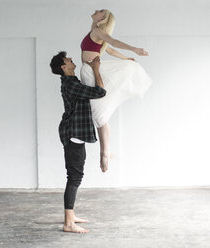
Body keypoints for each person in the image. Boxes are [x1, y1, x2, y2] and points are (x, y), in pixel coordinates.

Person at [80, 9, 153, 173]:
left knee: (99, 113)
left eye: (100, 12)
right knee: (98, 113)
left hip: (92, 71)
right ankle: (105, 152)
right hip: (88, 70)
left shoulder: (99, 31)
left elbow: (114, 43)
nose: (96, 11)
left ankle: (105, 153)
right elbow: (109, 50)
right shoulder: (94, 30)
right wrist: (125, 58)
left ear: (103, 19)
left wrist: (134, 50)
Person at [50, 51, 106, 233]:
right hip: (73, 133)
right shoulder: (70, 84)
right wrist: (96, 70)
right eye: (69, 60)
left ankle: (71, 216)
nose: (72, 60)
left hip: (75, 133)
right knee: (74, 177)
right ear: (63, 67)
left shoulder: (72, 82)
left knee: (75, 176)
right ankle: (68, 223)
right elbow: (100, 92)